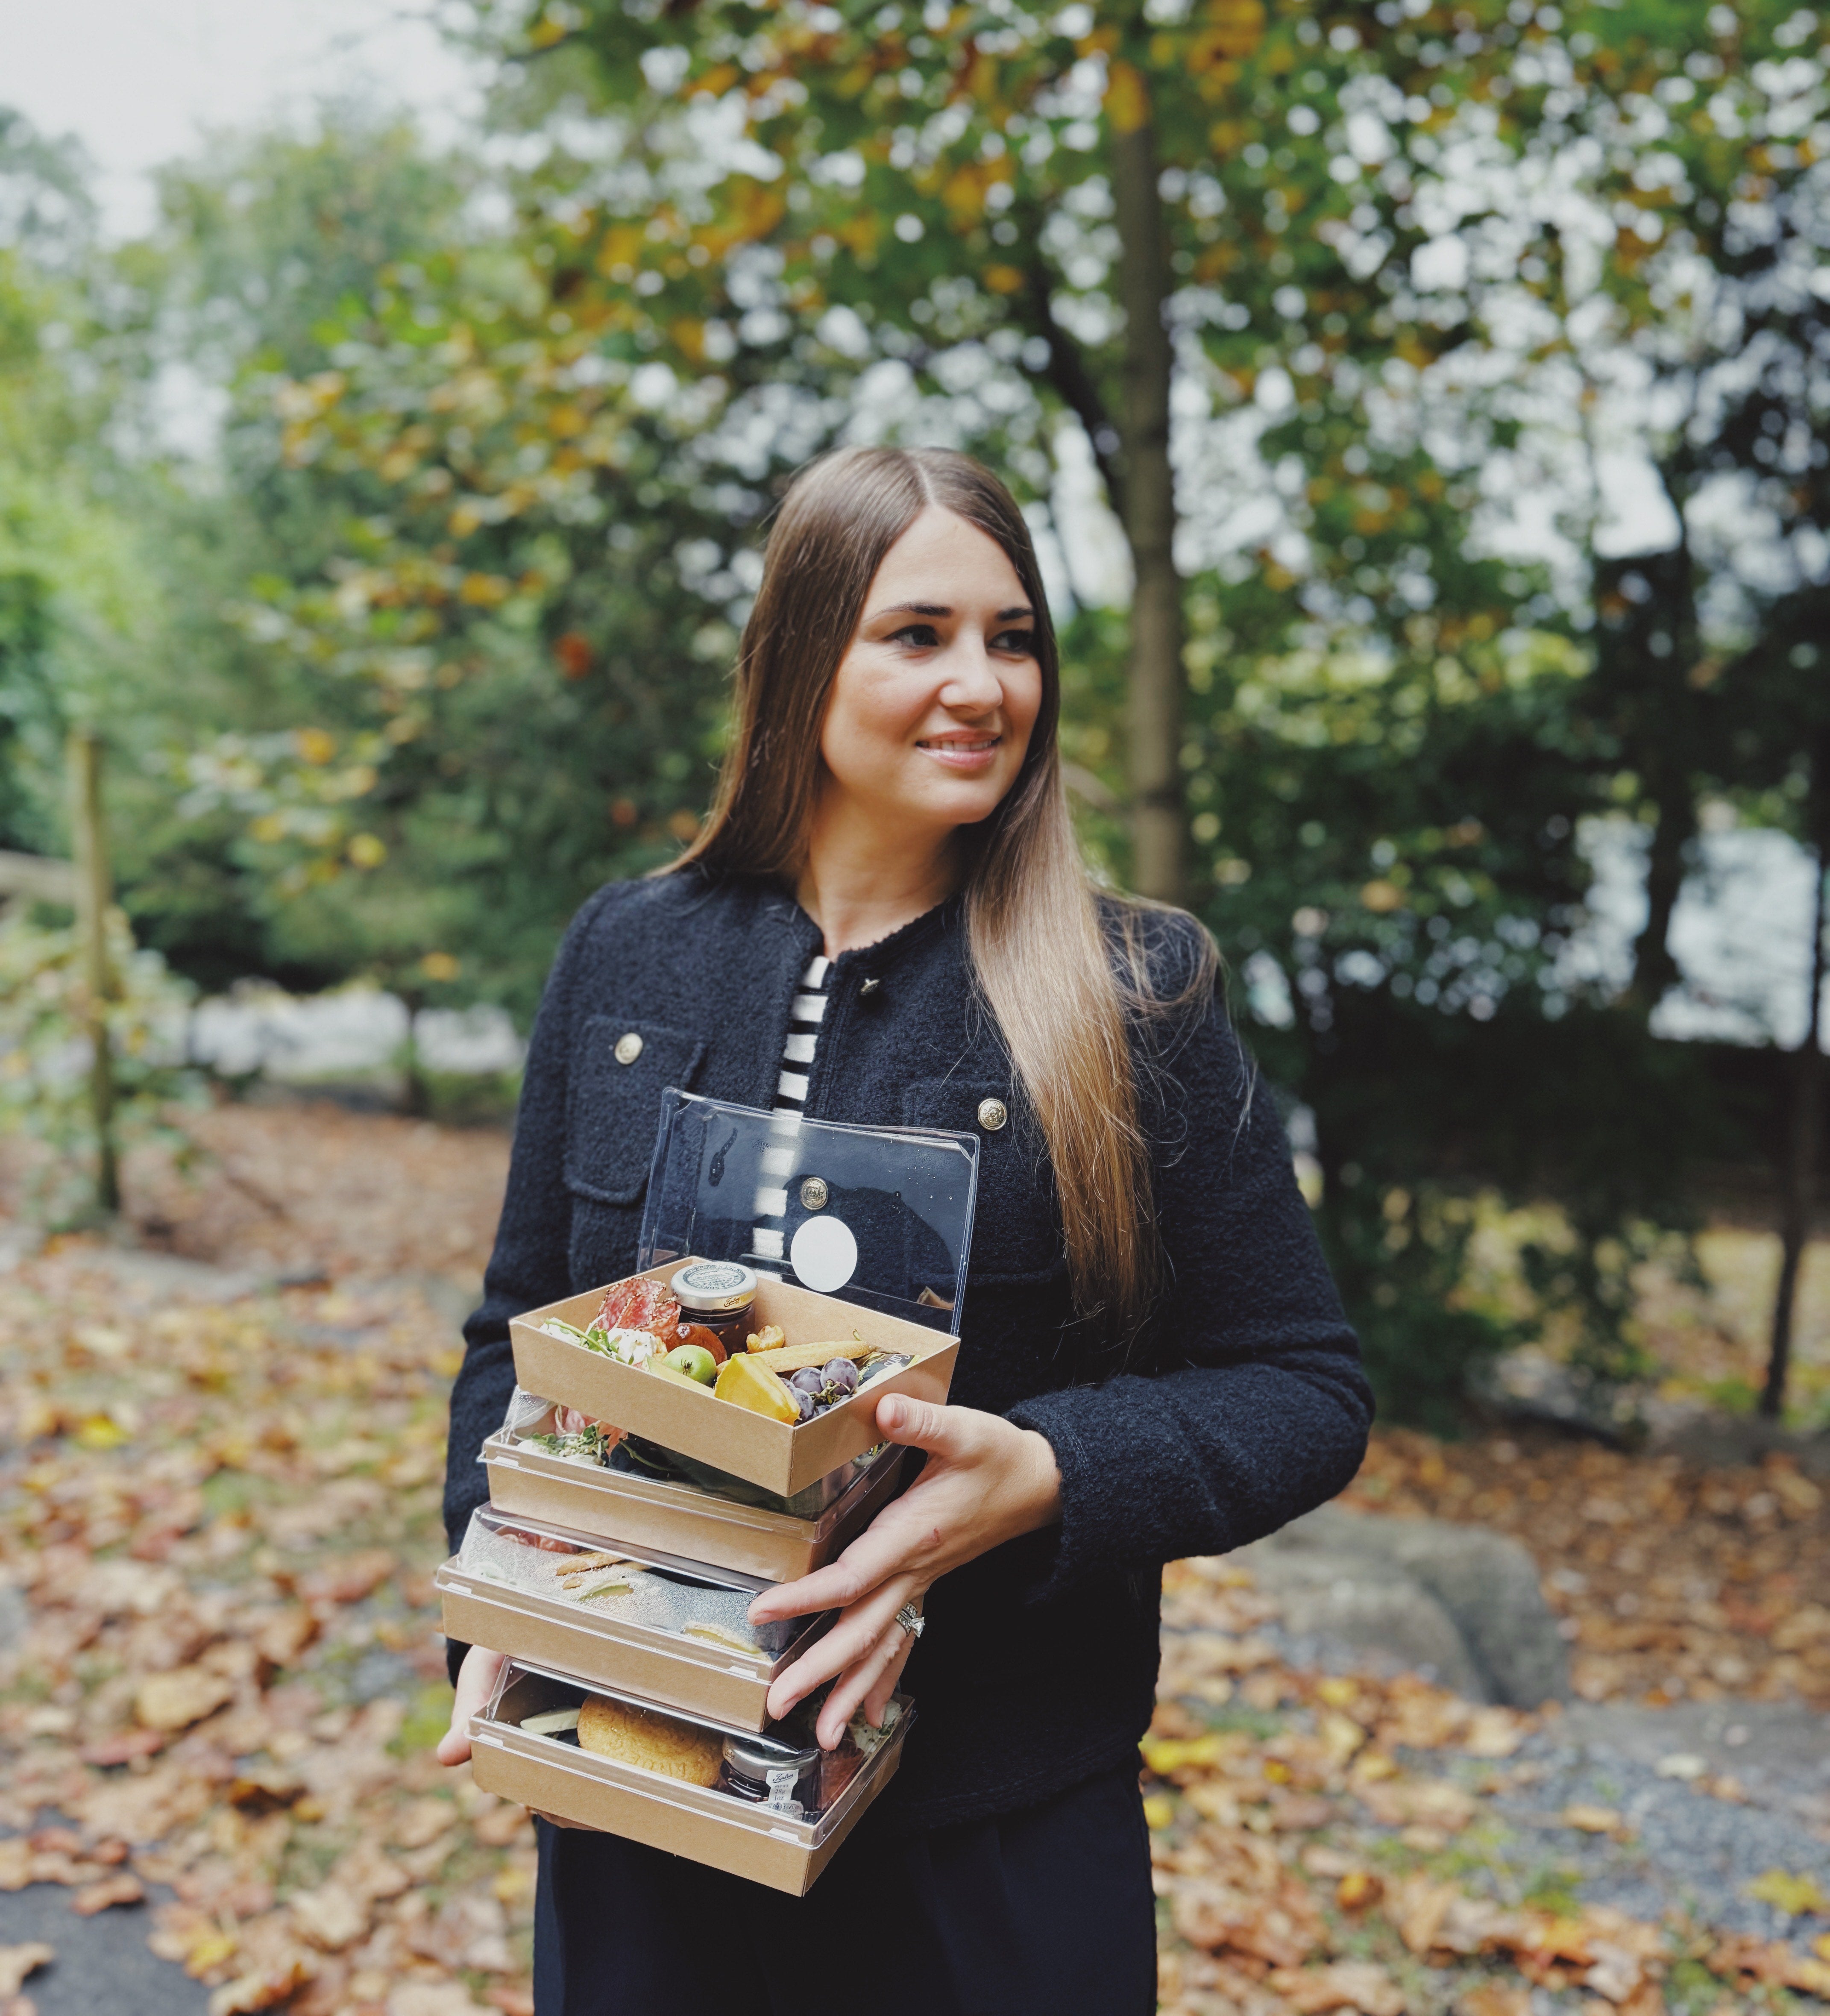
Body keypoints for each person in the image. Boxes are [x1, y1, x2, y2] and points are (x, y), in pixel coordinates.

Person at [437, 446, 1373, 2013]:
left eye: (1013, 639)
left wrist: (1047, 1473)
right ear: (802, 656)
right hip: (640, 1799)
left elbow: (1303, 1386)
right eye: (918, 634)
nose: (982, 684)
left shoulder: (1137, 997)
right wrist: (500, 1594)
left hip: (987, 1839)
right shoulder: (625, 954)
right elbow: (514, 1329)